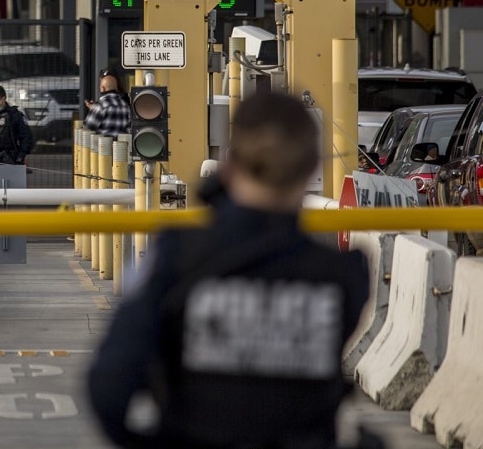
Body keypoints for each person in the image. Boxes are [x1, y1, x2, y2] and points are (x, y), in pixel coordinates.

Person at [86, 91, 370, 449]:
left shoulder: (177, 254)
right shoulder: (343, 274)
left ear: (230, 164)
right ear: (314, 167)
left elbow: (109, 387)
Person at [84, 71, 131, 138]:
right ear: (116, 88)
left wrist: (94, 109)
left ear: (102, 88)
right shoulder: (125, 105)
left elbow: (87, 129)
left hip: (102, 146)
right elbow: (128, 129)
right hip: (120, 147)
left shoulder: (101, 106)